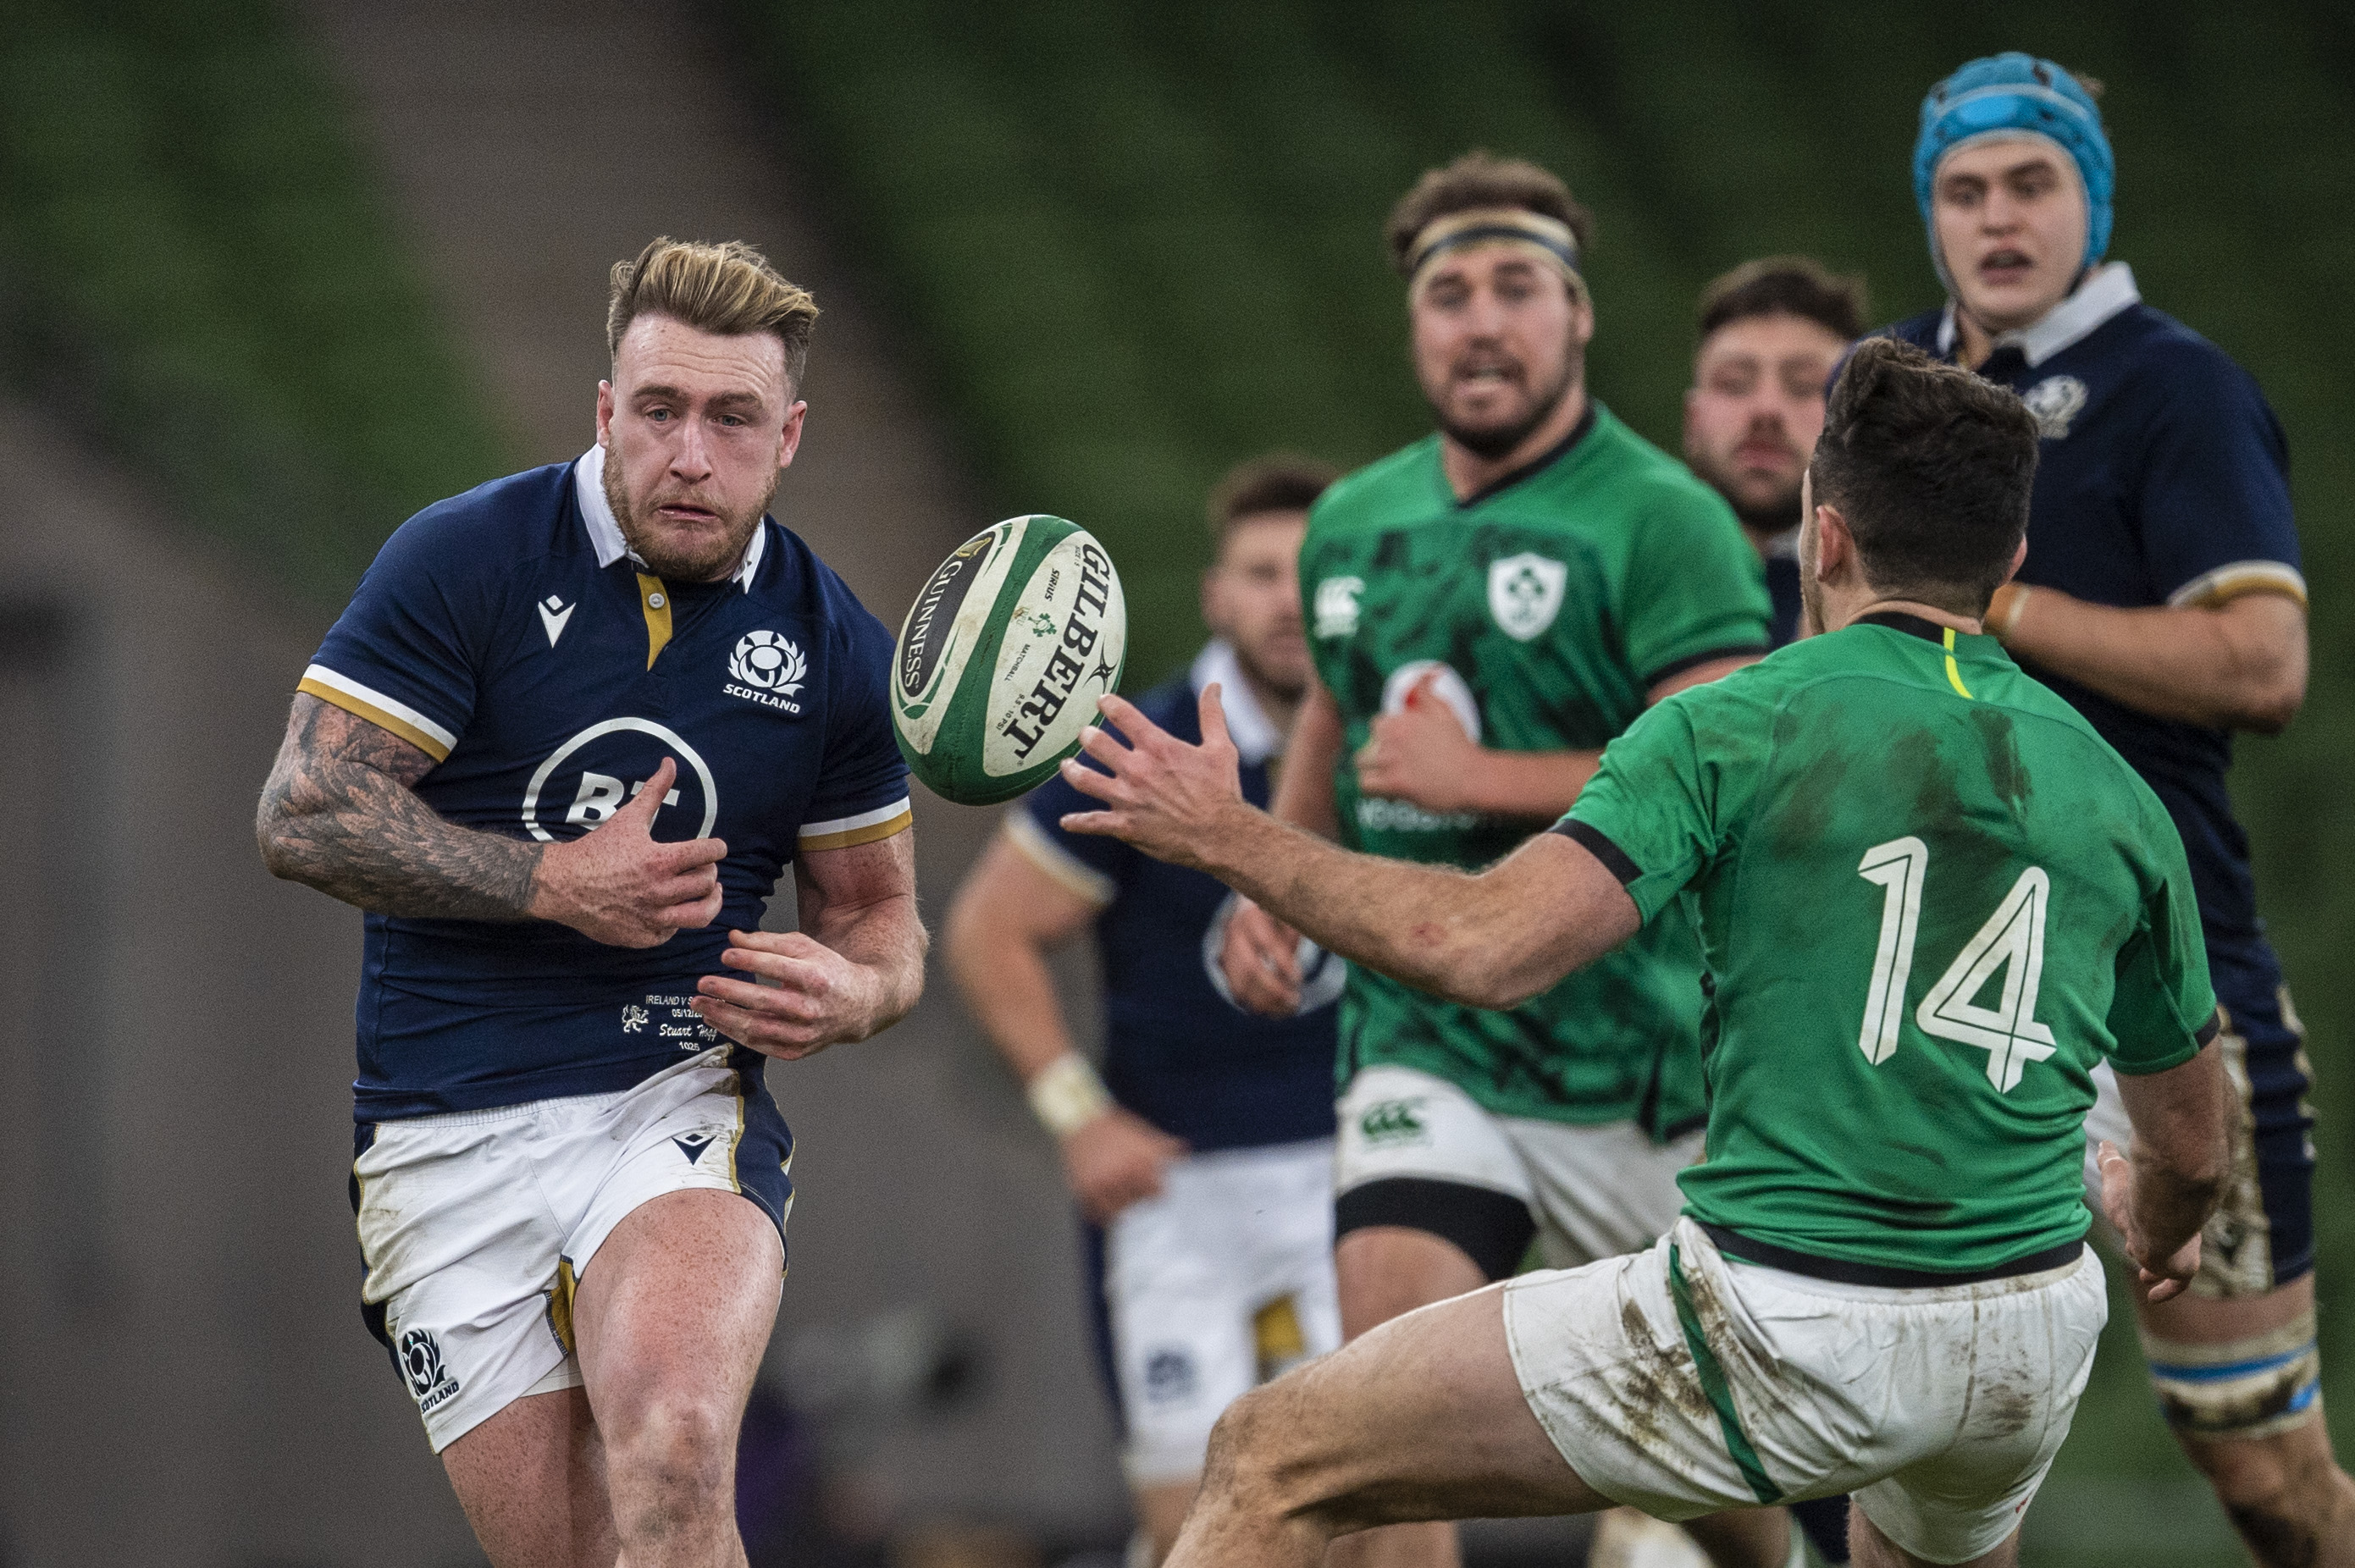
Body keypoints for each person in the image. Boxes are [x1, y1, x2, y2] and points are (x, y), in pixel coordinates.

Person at [1059, 336, 2228, 1568]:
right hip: (2029, 1331)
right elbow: (2195, 1149)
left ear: (1823, 538)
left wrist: (1229, 833)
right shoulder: (2118, 791)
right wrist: (2148, 1206)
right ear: (2012, 560)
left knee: (1271, 1453)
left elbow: (1482, 949)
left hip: (1798, 1312)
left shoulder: (1738, 723)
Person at [255, 237, 925, 1568]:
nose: (691, 454)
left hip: (668, 1103)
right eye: (660, 410)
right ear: (603, 411)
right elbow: (302, 811)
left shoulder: (835, 640)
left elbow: (879, 916)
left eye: (732, 419)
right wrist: (551, 880)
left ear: (786, 436)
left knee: (676, 1445)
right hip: (441, 1133)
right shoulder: (465, 559)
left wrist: (856, 992)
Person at [1217, 150, 1784, 1568]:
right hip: (1430, 1041)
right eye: (1448, 292)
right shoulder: (1354, 519)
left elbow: (1721, 763)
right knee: (1380, 1424)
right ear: (1413, 323)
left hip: (1638, 1065)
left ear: (1578, 313)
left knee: (1723, 1486)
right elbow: (1338, 715)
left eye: (1515, 287)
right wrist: (1273, 877)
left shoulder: (1665, 518)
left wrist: (1480, 781)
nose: (1481, 320)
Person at [1887, 55, 2352, 1567]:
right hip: (1932, 981)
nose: (1998, 218)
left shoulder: (2174, 385)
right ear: (1929, 212)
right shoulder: (1883, 385)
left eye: (2033, 183)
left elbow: (2263, 661)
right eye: (1965, 190)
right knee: (1929, 1439)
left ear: (2091, 197)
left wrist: (1996, 604)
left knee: (2262, 1468)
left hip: (2163, 977)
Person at [944, 455, 1345, 1565]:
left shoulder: (1396, 747)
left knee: (1372, 1516)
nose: (1288, 600)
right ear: (1217, 594)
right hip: (1176, 1189)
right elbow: (988, 933)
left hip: (1350, 1173)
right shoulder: (1140, 748)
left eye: (1313, 574)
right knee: (1190, 1527)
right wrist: (1077, 1114)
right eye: (1261, 573)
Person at [1683, 257, 1866, 646]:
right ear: (1692, 419)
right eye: (1735, 384)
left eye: (1804, 386)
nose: (1767, 410)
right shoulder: (1624, 576)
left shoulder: (1901, 605)